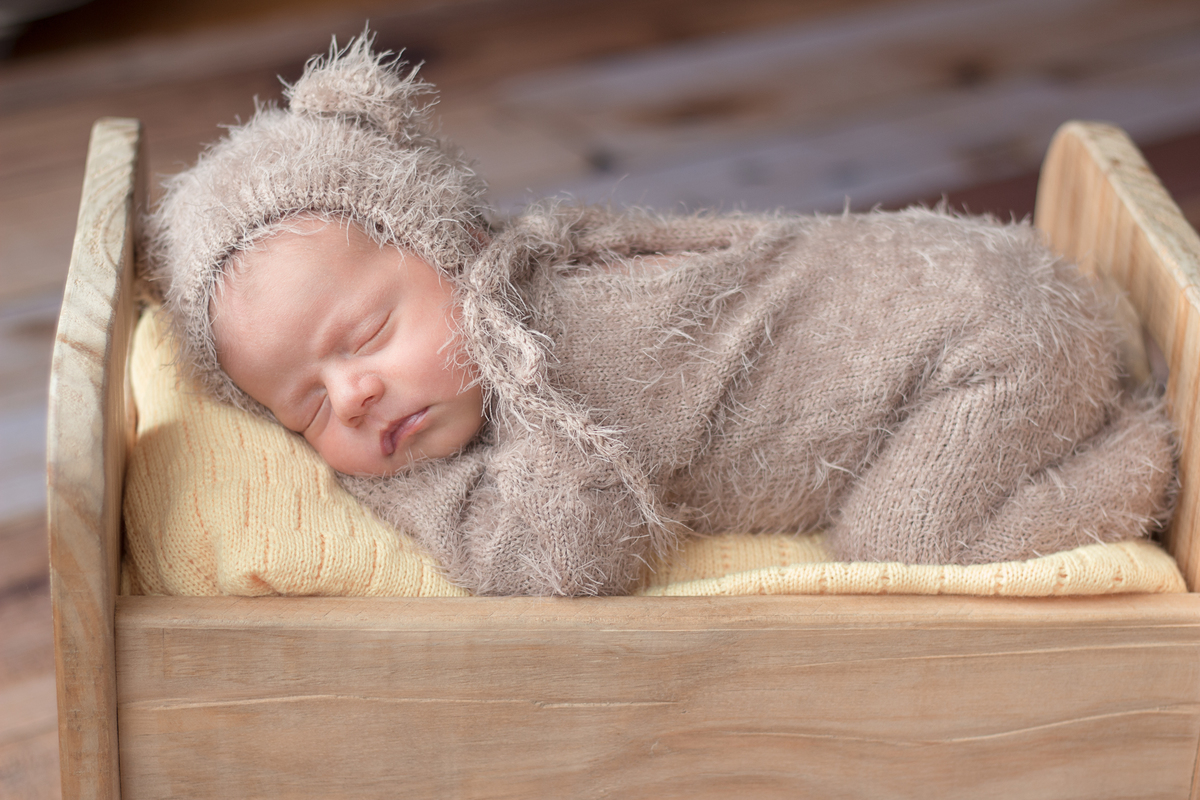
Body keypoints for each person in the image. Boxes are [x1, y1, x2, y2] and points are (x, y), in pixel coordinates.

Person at [146, 33, 1176, 596]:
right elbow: (578, 552)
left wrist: (508, 344)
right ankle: (1097, 376)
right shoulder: (431, 477)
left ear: (445, 250)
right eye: (303, 409)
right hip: (973, 332)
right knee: (891, 519)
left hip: (977, 334)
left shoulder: (543, 259)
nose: (355, 395)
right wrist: (503, 380)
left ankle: (1145, 455)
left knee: (902, 542)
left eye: (365, 336)